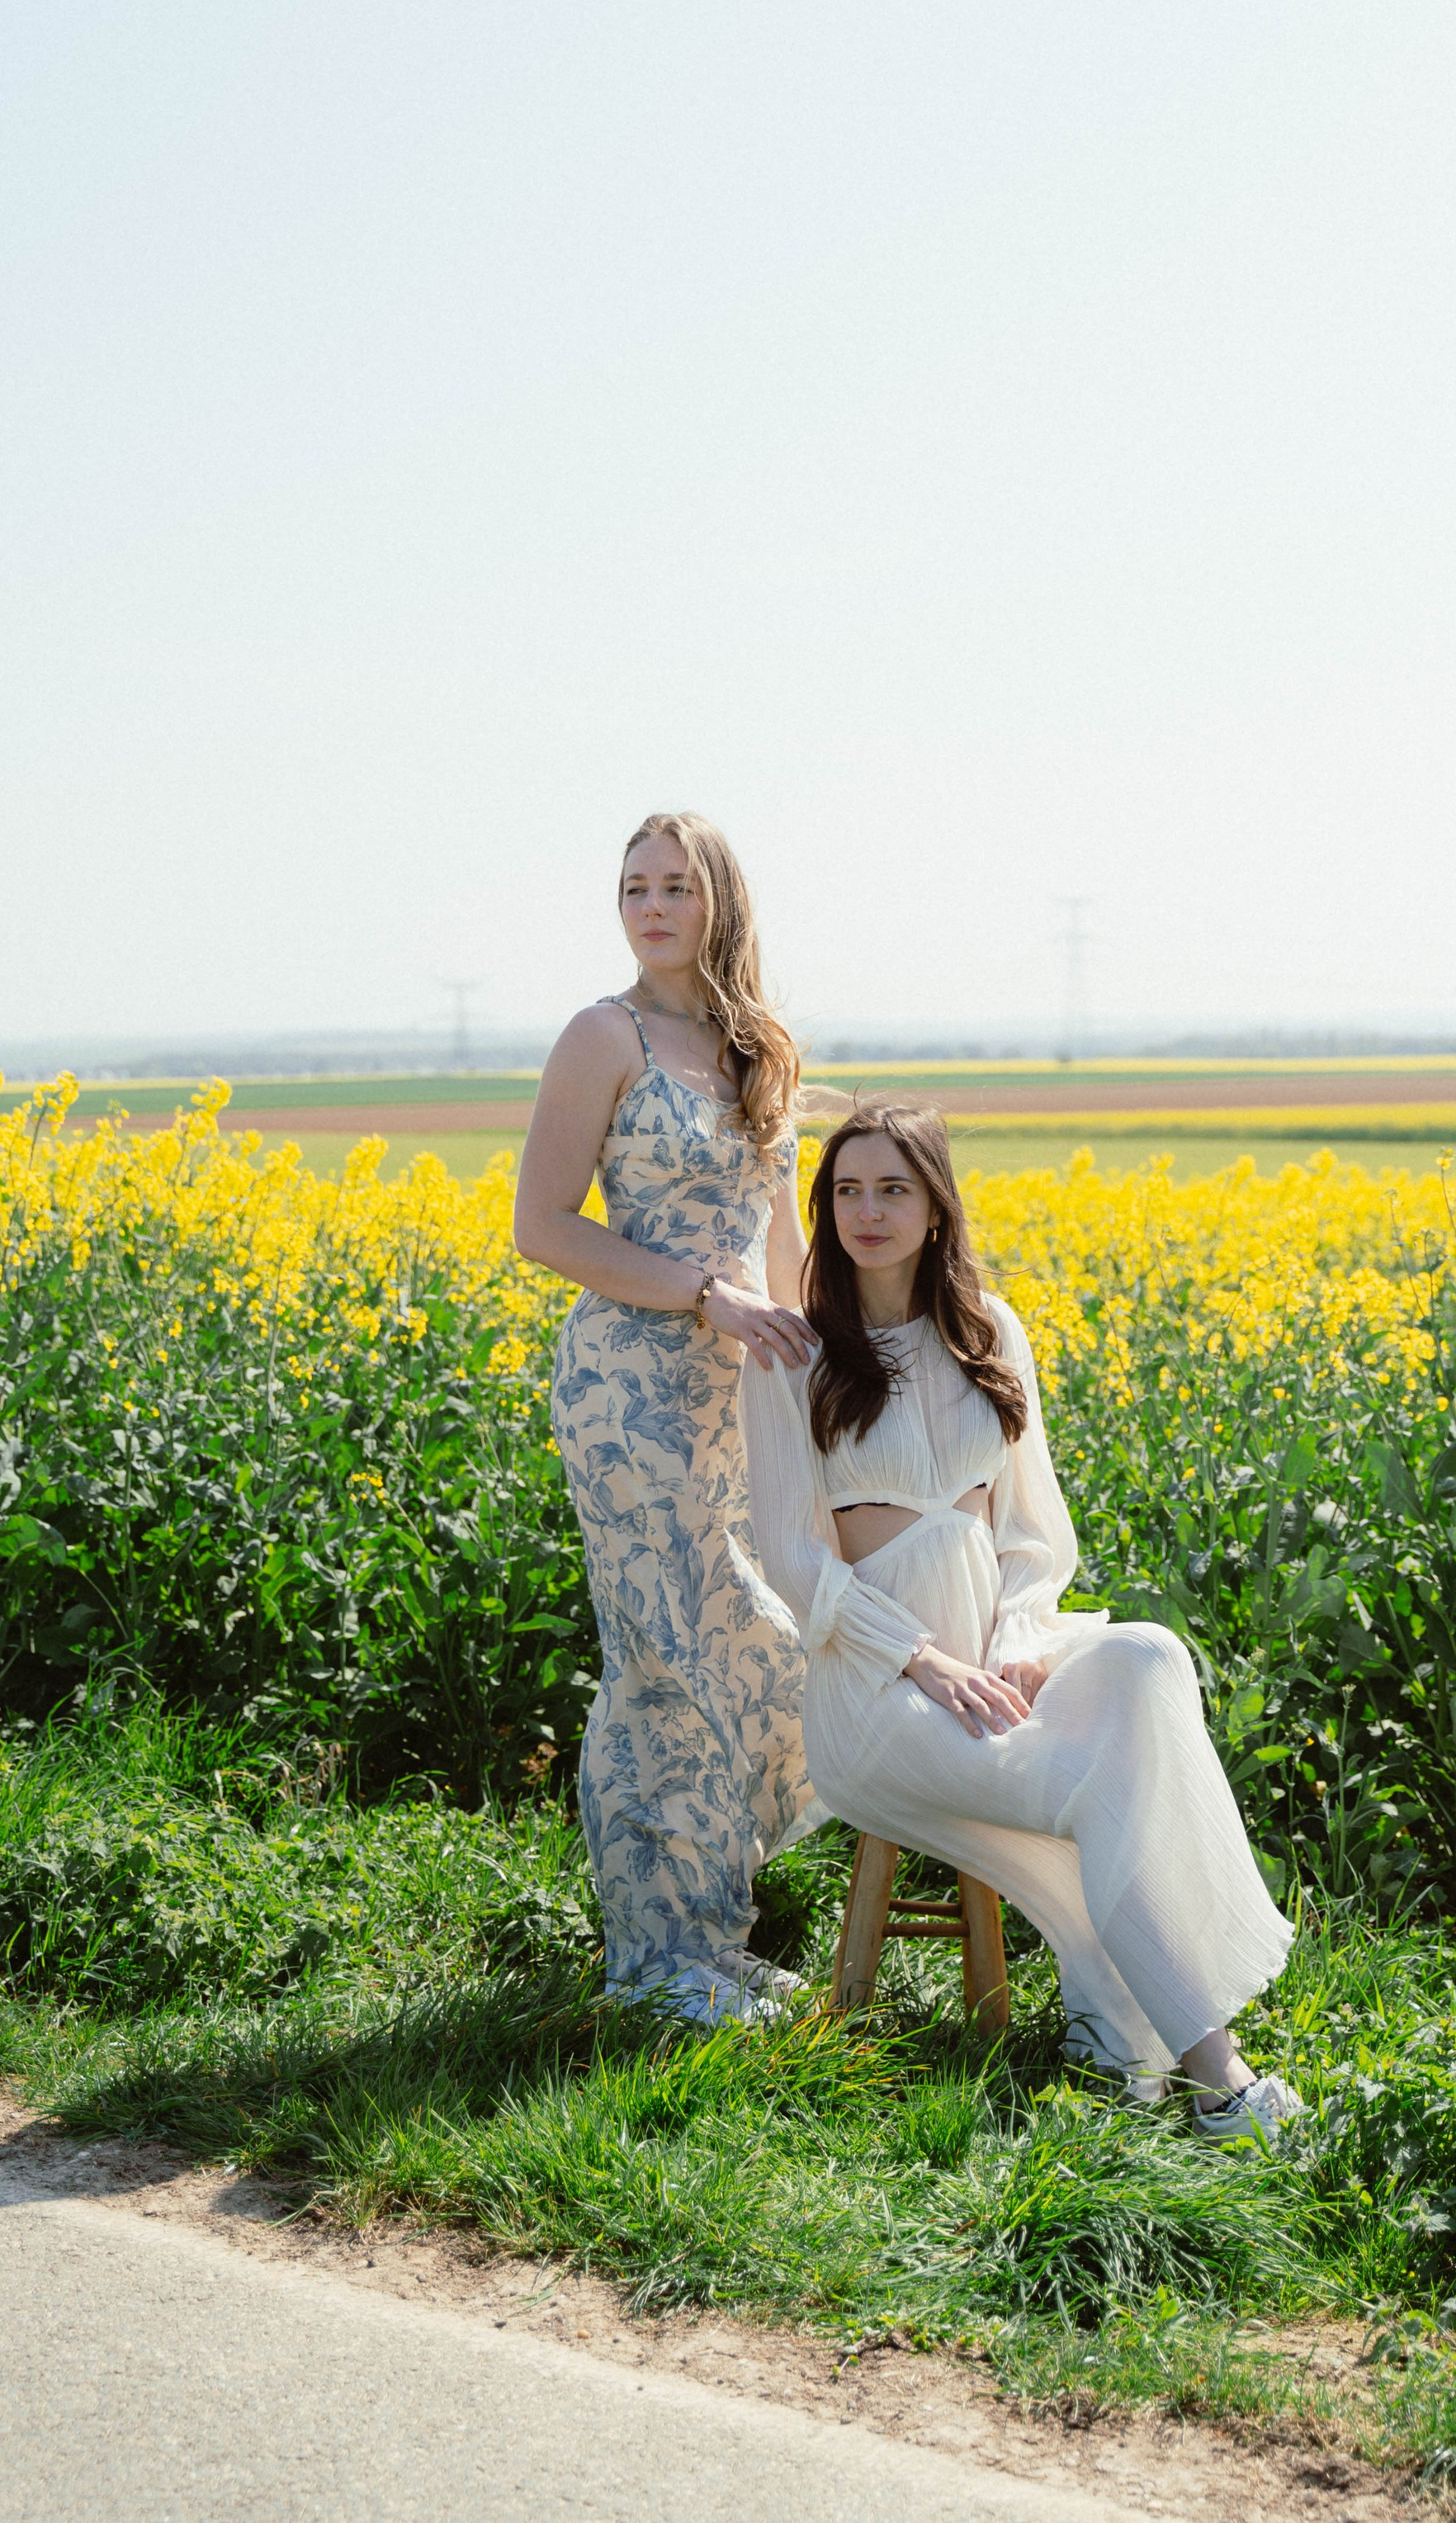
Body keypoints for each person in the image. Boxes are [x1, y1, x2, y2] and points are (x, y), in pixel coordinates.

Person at [741, 1105, 1302, 2140]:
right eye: (847, 1191)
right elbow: (793, 1560)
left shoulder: (988, 1331)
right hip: (879, 1697)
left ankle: (1121, 2021)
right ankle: (1218, 2076)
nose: (868, 1212)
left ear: (936, 1207)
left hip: (996, 1661)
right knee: (1103, 1780)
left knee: (1148, 1655)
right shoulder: (792, 1354)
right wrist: (925, 1662)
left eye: (893, 1189)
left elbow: (1033, 1533)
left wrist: (1012, 1643)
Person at [514, 812, 819, 2020]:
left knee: (748, 1638)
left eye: (675, 887)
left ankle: (713, 1927)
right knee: (660, 1652)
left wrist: (822, 1368)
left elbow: (783, 1239)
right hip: (630, 1390)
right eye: (634, 886)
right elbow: (544, 1227)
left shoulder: (760, 1049)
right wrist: (705, 1296)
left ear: (719, 902)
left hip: (742, 1394)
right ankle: (655, 1958)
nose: (650, 907)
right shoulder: (604, 1036)